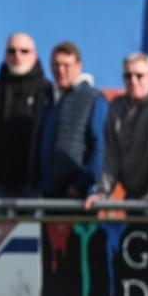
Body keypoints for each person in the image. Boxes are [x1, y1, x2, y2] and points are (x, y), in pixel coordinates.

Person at [85, 52, 148, 211]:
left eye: (139, 75)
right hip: (133, 200)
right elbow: (110, 157)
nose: (133, 81)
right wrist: (102, 191)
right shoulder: (116, 107)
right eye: (128, 76)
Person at [0, 33, 50, 198]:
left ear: (35, 55)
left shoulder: (47, 91)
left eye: (24, 51)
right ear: (5, 54)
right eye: (11, 51)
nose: (17, 56)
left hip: (35, 186)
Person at [33, 42, 107, 199]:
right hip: (48, 193)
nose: (61, 70)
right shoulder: (47, 97)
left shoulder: (93, 98)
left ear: (79, 66)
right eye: (56, 65)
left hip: (78, 197)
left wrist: (81, 185)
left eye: (66, 65)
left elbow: (99, 145)